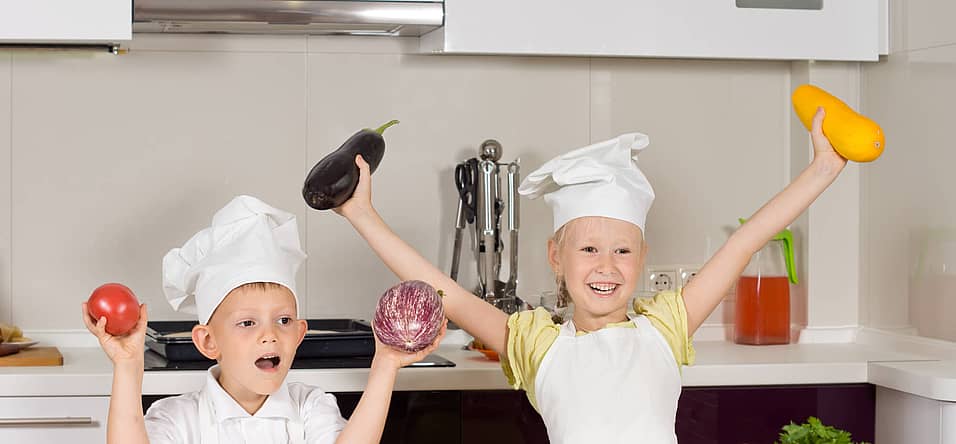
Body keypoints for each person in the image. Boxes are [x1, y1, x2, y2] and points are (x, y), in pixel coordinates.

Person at [336, 107, 845, 443]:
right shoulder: (536, 343)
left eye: (622, 250)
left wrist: (822, 167)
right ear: (556, 256)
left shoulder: (668, 325)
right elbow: (445, 293)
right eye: (589, 249)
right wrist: (363, 215)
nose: (606, 265)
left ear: (642, 256)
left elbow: (745, 241)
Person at [82, 195, 445, 444]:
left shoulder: (311, 407)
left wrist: (385, 364)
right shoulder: (180, 417)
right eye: (247, 323)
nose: (270, 336)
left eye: (284, 321)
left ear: (301, 332)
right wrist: (129, 366)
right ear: (208, 341)